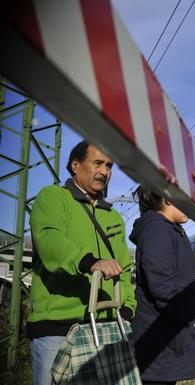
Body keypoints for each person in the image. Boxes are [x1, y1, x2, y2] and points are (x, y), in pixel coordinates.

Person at [28, 140, 137, 385]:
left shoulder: (113, 216)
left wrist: (128, 308)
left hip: (106, 327)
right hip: (58, 329)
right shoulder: (53, 198)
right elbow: (49, 239)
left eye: (109, 166)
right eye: (97, 163)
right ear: (75, 165)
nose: (105, 171)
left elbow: (125, 267)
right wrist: (88, 262)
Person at [129, 186, 195, 385]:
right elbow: (162, 285)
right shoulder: (158, 231)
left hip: (164, 337)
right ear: (168, 199)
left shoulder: (167, 229)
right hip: (158, 340)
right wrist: (187, 312)